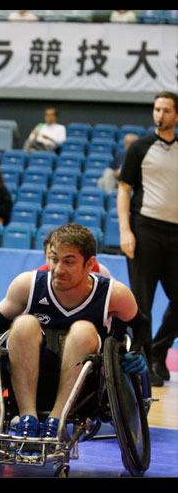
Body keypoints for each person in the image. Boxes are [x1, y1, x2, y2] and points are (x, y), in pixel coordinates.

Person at [0, 223, 150, 443]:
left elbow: (140, 324)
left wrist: (137, 352)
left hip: (86, 379)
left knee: (82, 330)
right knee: (24, 323)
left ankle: (57, 420)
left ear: (89, 263)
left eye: (69, 262)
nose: (58, 269)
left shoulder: (114, 293)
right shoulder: (27, 284)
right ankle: (28, 418)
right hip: (31, 367)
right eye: (54, 259)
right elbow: (0, 320)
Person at [117, 91, 178, 386]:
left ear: (176, 116)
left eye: (166, 110)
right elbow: (124, 190)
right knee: (142, 304)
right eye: (157, 109)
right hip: (145, 230)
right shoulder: (141, 147)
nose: (160, 114)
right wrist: (125, 231)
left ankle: (160, 351)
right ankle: (143, 366)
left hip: (176, 233)